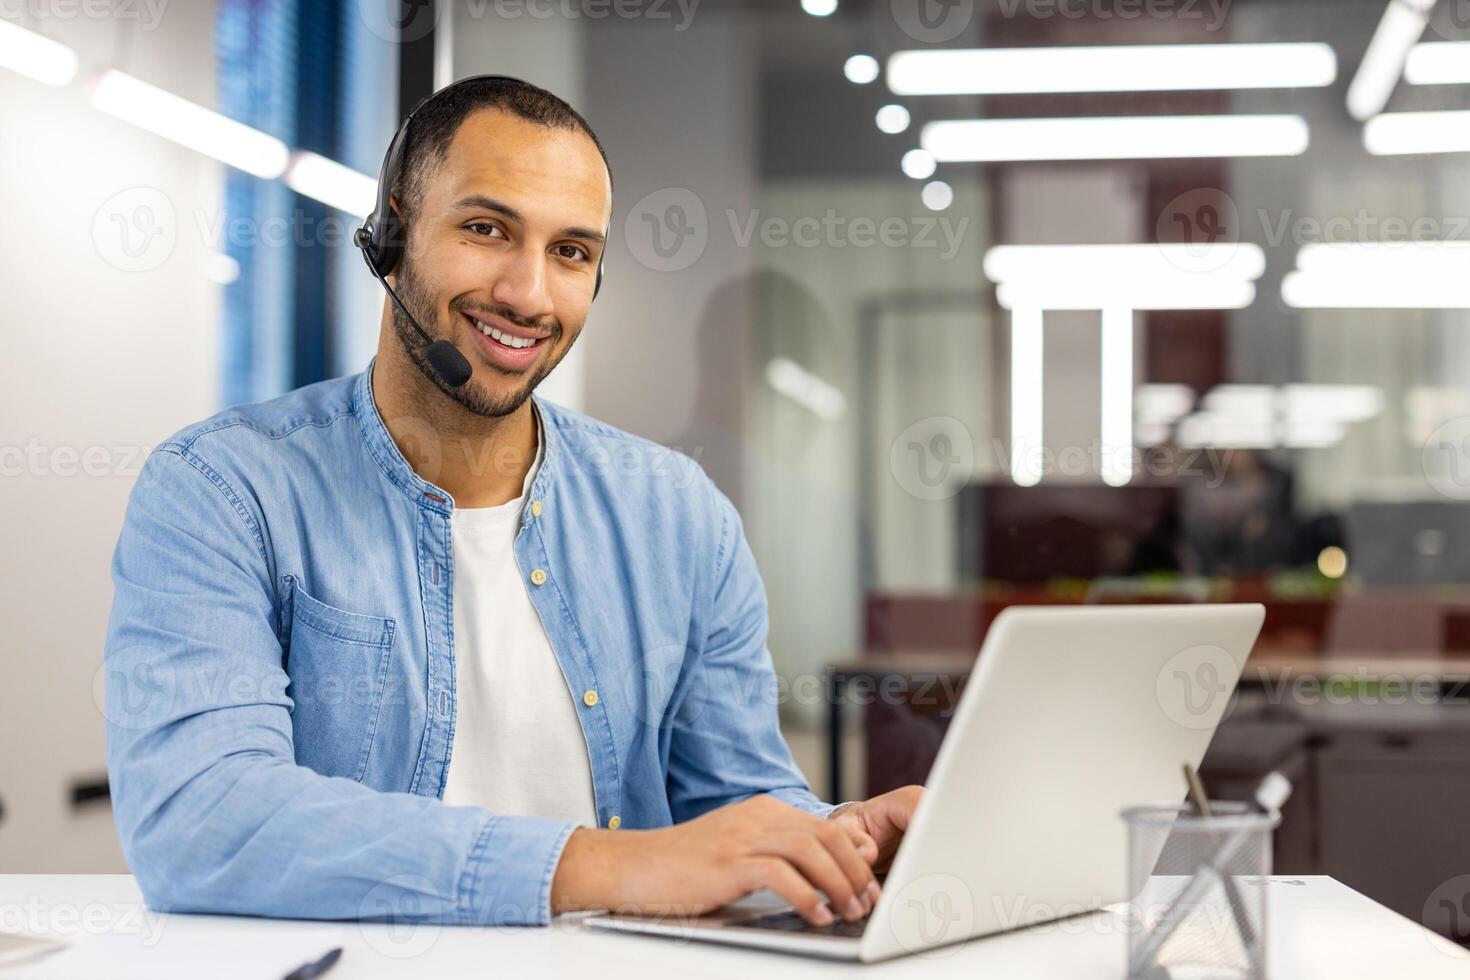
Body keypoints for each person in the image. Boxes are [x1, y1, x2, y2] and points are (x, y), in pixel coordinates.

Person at [103, 75, 921, 929]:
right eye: (487, 229)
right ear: (393, 231)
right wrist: (606, 865)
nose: (529, 295)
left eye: (571, 252)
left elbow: (736, 797)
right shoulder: (223, 489)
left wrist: (837, 838)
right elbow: (201, 822)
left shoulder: (678, 515)